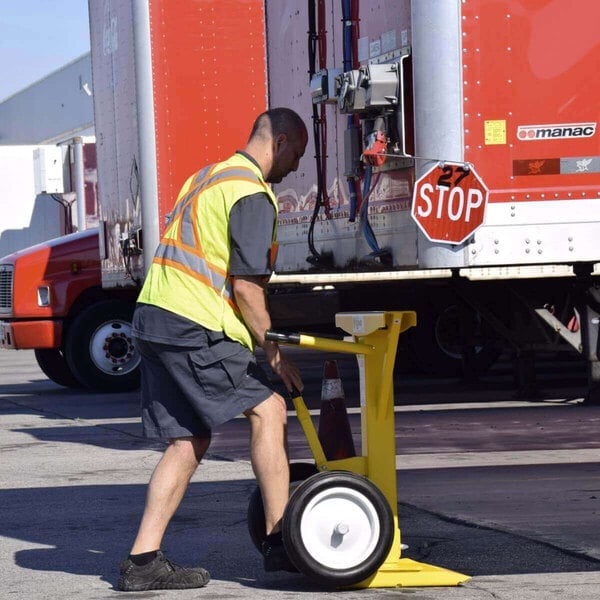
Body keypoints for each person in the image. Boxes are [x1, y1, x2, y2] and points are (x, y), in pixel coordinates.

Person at [117, 108, 308, 592]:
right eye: (298, 155)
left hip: (154, 315)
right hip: (190, 322)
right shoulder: (250, 193)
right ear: (280, 141)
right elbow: (245, 288)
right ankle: (281, 543)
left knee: (188, 440)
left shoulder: (206, 177)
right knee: (269, 409)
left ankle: (142, 564)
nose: (296, 167)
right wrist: (274, 352)